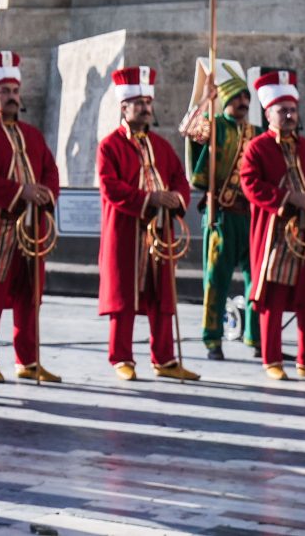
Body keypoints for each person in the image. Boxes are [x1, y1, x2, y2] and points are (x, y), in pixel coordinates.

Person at [0, 49, 61, 384]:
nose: (12, 97)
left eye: (15, 91)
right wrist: (22, 193)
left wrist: (45, 192)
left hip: (32, 227)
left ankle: (28, 361)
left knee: (29, 296)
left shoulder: (32, 135)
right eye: (4, 91)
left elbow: (50, 170)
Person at [97, 65, 198, 381]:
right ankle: (121, 357)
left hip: (161, 230)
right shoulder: (109, 146)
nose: (144, 108)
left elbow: (180, 179)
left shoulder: (162, 146)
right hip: (126, 230)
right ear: (123, 107)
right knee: (124, 297)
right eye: (137, 103)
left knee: (162, 295)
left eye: (147, 102)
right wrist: (149, 200)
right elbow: (109, 185)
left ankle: (165, 359)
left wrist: (175, 200)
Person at [238, 69, 305, 381]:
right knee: (273, 299)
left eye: (293, 109)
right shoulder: (257, 148)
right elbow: (249, 182)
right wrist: (289, 198)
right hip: (274, 236)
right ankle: (272, 360)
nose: (290, 115)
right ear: (268, 113)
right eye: (283, 110)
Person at [187, 65, 260, 360]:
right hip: (222, 215)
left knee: (257, 278)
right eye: (237, 98)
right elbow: (190, 130)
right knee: (216, 278)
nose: (243, 103)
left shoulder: (255, 132)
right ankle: (212, 338)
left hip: (251, 215)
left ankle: (256, 337)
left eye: (246, 97)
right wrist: (205, 99)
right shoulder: (214, 125)